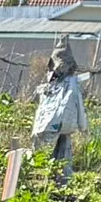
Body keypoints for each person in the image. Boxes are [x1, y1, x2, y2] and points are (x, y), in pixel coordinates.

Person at [33, 37, 89, 183]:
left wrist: (83, 125)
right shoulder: (54, 83)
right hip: (59, 124)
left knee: (61, 153)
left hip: (59, 124)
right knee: (56, 154)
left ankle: (59, 180)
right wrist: (83, 126)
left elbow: (77, 104)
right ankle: (55, 180)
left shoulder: (68, 83)